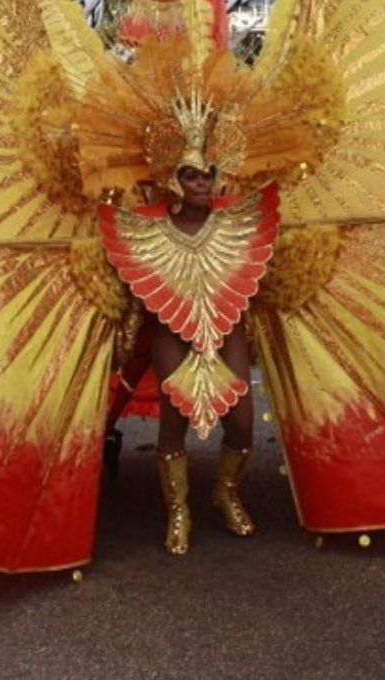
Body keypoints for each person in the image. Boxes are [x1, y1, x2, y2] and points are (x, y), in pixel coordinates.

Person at [134, 164, 259, 555]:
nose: (202, 183)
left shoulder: (235, 223)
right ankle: (178, 510)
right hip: (172, 329)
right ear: (174, 182)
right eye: (191, 176)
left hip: (226, 326)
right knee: (174, 421)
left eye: (208, 175)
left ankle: (226, 492)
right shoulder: (150, 229)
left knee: (241, 422)